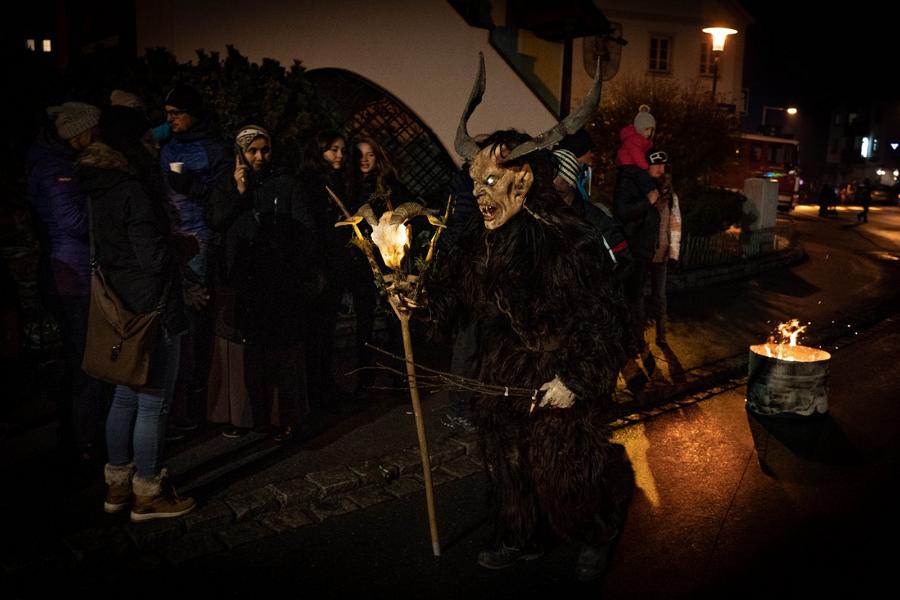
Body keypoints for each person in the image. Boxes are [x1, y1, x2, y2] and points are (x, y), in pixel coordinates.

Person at [398, 60, 635, 582]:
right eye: (475, 183)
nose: (479, 195)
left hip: (558, 373)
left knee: (561, 466)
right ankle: (519, 534)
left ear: (523, 181)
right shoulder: (479, 241)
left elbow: (607, 320)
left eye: (491, 182)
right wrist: (417, 298)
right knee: (506, 461)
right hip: (502, 371)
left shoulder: (568, 241)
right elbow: (456, 298)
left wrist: (575, 380)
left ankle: (595, 530)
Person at [81, 105, 195, 522]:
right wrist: (184, 246)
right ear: (130, 144)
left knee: (124, 395)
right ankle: (147, 492)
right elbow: (153, 258)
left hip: (122, 304)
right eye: (148, 141)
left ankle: (117, 485)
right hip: (153, 307)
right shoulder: (133, 190)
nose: (155, 147)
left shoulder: (100, 186)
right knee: (152, 403)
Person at [206, 125, 320, 440]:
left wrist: (294, 267)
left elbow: (306, 231)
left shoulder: (286, 184)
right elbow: (216, 221)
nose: (259, 157)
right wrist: (239, 192)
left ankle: (282, 419)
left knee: (280, 352)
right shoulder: (226, 185)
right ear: (240, 153)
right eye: (252, 150)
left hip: (279, 282)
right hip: (242, 282)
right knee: (247, 354)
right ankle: (249, 417)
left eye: (265, 150)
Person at [27, 101, 110, 466]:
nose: (97, 135)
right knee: (86, 362)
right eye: (93, 129)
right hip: (73, 276)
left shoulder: (53, 161)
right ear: (78, 132)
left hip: (67, 273)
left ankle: (78, 436)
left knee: (78, 359)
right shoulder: (57, 168)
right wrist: (108, 210)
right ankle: (86, 443)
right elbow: (73, 222)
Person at [158, 84, 231, 435]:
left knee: (193, 322)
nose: (170, 120)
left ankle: (192, 402)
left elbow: (223, 195)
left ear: (193, 114)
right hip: (171, 238)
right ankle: (179, 405)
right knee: (177, 322)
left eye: (177, 113)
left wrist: (192, 187)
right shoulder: (167, 143)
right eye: (167, 114)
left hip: (199, 239)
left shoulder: (213, 148)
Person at [299, 131, 354, 412]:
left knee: (326, 330)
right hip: (318, 267)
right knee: (316, 331)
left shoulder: (337, 181)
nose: (339, 155)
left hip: (333, 264)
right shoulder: (311, 184)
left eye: (342, 150)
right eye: (333, 149)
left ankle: (324, 385)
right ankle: (315, 391)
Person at [645, 150, 681, 346]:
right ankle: (637, 337)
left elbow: (675, 225)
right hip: (642, 252)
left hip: (661, 254)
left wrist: (674, 253)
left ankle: (661, 336)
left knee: (659, 297)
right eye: (656, 165)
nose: (660, 169)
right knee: (637, 296)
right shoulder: (643, 190)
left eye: (663, 166)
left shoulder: (671, 196)